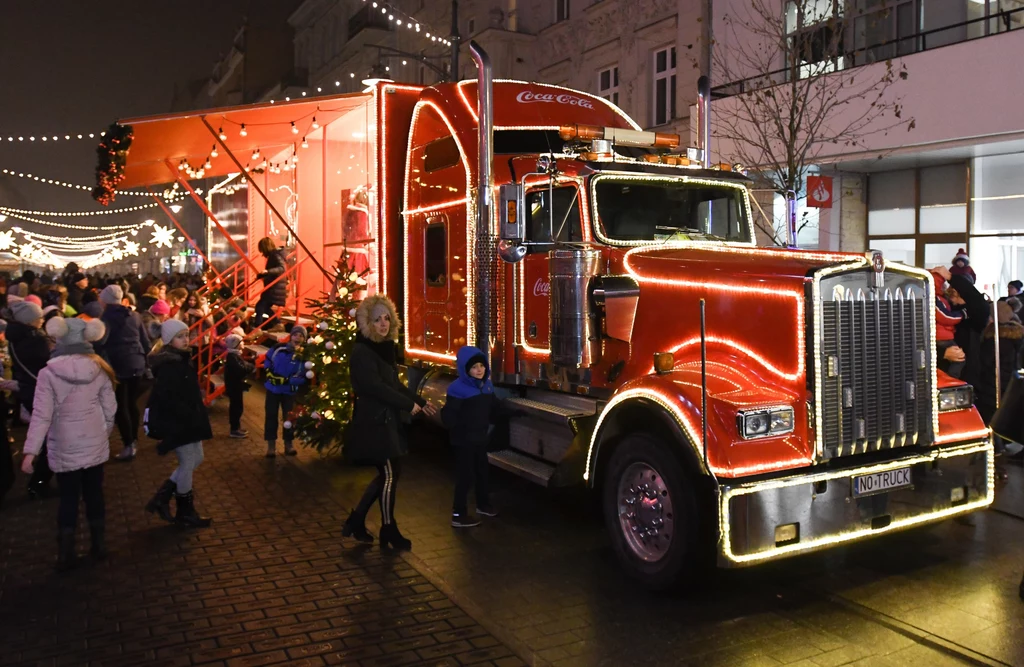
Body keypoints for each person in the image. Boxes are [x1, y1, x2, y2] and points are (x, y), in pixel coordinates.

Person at [20, 317, 116, 570]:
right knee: (95, 493)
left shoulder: (48, 373)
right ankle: (99, 545)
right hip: (94, 441)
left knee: (69, 497)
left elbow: (42, 415)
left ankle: (65, 553)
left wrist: (30, 451)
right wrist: (102, 433)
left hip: (63, 444)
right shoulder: (100, 368)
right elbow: (110, 408)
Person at [341, 295, 435, 549]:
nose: (383, 324)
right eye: (377, 319)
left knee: (388, 474)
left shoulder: (383, 347)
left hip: (384, 420)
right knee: (390, 474)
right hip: (374, 422)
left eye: (386, 318)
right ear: (367, 322)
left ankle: (357, 521)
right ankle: (388, 529)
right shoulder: (363, 350)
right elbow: (375, 387)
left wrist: (420, 401)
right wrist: (407, 404)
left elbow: (393, 383)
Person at [143, 319, 213, 527]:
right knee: (187, 463)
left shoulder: (181, 359)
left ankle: (162, 498)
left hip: (189, 420)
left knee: (196, 458)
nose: (186, 340)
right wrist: (187, 414)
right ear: (168, 340)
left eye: (186, 335)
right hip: (180, 422)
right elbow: (169, 397)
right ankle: (185, 511)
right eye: (180, 336)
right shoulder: (169, 365)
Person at [442, 346, 517, 527]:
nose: (479, 370)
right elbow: (449, 415)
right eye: (474, 367)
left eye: (482, 366)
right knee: (465, 476)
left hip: (480, 438)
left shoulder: (486, 386)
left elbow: (494, 407)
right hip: (464, 440)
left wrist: (513, 412)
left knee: (482, 472)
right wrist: (457, 427)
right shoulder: (457, 389)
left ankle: (483, 505)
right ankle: (458, 514)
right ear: (465, 369)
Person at [94, 285, 150, 462]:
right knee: (132, 402)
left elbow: (101, 342)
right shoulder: (135, 315)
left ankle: (129, 444)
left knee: (119, 405)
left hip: (117, 365)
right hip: (137, 362)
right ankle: (134, 438)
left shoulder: (106, 318)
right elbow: (146, 342)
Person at [7, 300, 54, 497]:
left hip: (29, 389)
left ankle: (39, 474)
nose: (42, 319)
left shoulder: (16, 337)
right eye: (39, 317)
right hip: (39, 391)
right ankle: (39, 482)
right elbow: (47, 365)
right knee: (51, 436)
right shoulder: (35, 341)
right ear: (30, 321)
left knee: (44, 432)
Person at [975, 301, 1024, 425]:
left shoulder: (995, 340)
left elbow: (985, 364)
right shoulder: (1017, 335)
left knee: (992, 419)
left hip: (992, 386)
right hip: (1011, 383)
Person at [263, 324, 308, 457]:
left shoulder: (303, 357)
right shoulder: (279, 348)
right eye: (295, 335)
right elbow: (268, 360)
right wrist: (269, 373)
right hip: (273, 390)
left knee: (289, 418)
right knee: (271, 416)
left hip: (289, 391)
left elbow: (304, 377)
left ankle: (289, 444)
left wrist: (288, 381)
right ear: (291, 336)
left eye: (301, 336)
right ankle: (271, 446)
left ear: (304, 340)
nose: (297, 338)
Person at [930, 268, 966, 379]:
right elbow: (945, 316)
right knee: (959, 359)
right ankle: (951, 379)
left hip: (944, 335)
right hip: (942, 337)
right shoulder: (933, 298)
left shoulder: (940, 298)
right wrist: (961, 314)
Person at [224, 333, 255, 438]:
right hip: (234, 387)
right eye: (241, 342)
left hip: (235, 386)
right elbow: (242, 369)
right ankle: (234, 429)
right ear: (236, 344)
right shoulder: (232, 357)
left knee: (237, 407)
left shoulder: (234, 355)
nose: (242, 344)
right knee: (236, 408)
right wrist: (251, 366)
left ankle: (236, 427)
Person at [254, 237, 288, 331]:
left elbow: (281, 268)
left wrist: (267, 271)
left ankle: (257, 329)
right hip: (275, 287)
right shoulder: (275, 255)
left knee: (260, 306)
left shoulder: (274, 255)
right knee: (263, 306)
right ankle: (277, 324)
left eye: (262, 249)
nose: (262, 252)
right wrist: (262, 274)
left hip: (274, 288)